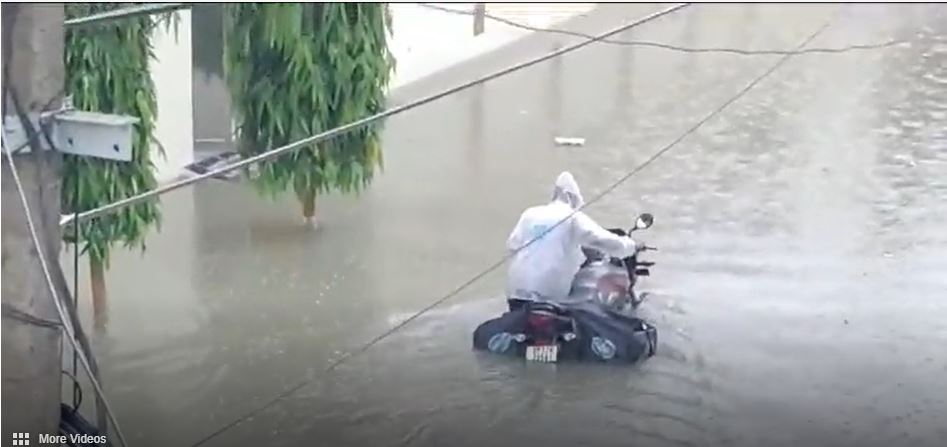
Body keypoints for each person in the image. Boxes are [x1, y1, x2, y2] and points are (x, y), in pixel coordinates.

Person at [505, 171, 638, 309]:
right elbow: (604, 241)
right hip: (549, 295)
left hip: (516, 293)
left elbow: (512, 245)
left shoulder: (529, 214)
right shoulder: (572, 217)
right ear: (572, 197)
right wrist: (631, 246)